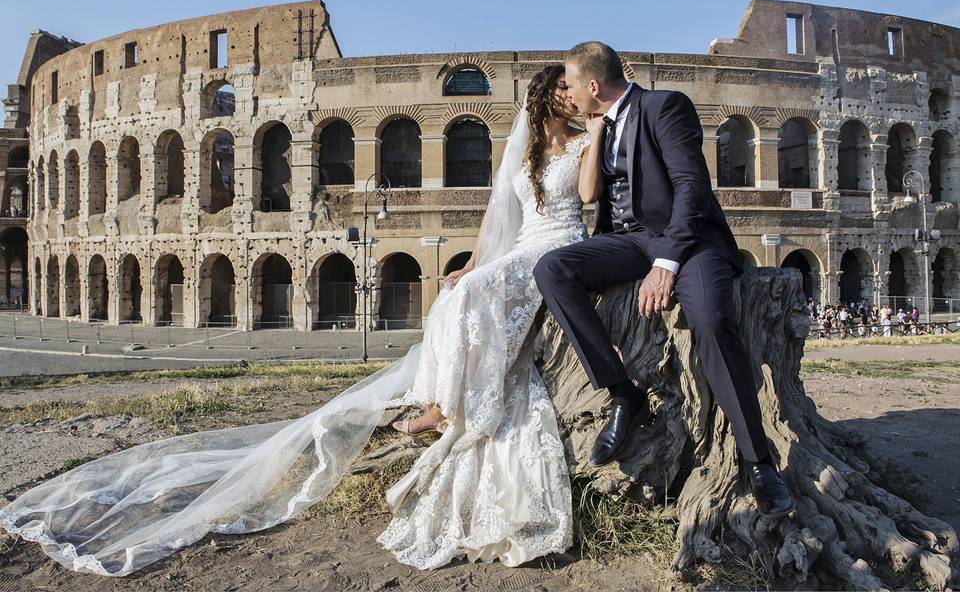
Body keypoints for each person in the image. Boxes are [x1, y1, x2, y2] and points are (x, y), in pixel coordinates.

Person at [0, 66, 593, 575]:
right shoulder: (529, 149)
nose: (576, 99)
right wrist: (476, 265)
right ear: (547, 97)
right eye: (566, 91)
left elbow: (588, 199)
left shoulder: (587, 136)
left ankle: (456, 400)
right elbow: (504, 218)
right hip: (523, 251)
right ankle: (442, 399)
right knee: (453, 295)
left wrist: (595, 135)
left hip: (560, 246)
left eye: (579, 90)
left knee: (471, 298)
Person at [534, 42, 793, 519]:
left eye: (569, 84)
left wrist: (667, 263)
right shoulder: (601, 126)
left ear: (593, 85)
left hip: (688, 241)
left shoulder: (664, 106)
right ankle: (622, 393)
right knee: (552, 268)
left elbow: (692, 187)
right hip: (629, 241)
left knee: (712, 320)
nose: (566, 94)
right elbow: (602, 202)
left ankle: (760, 462)